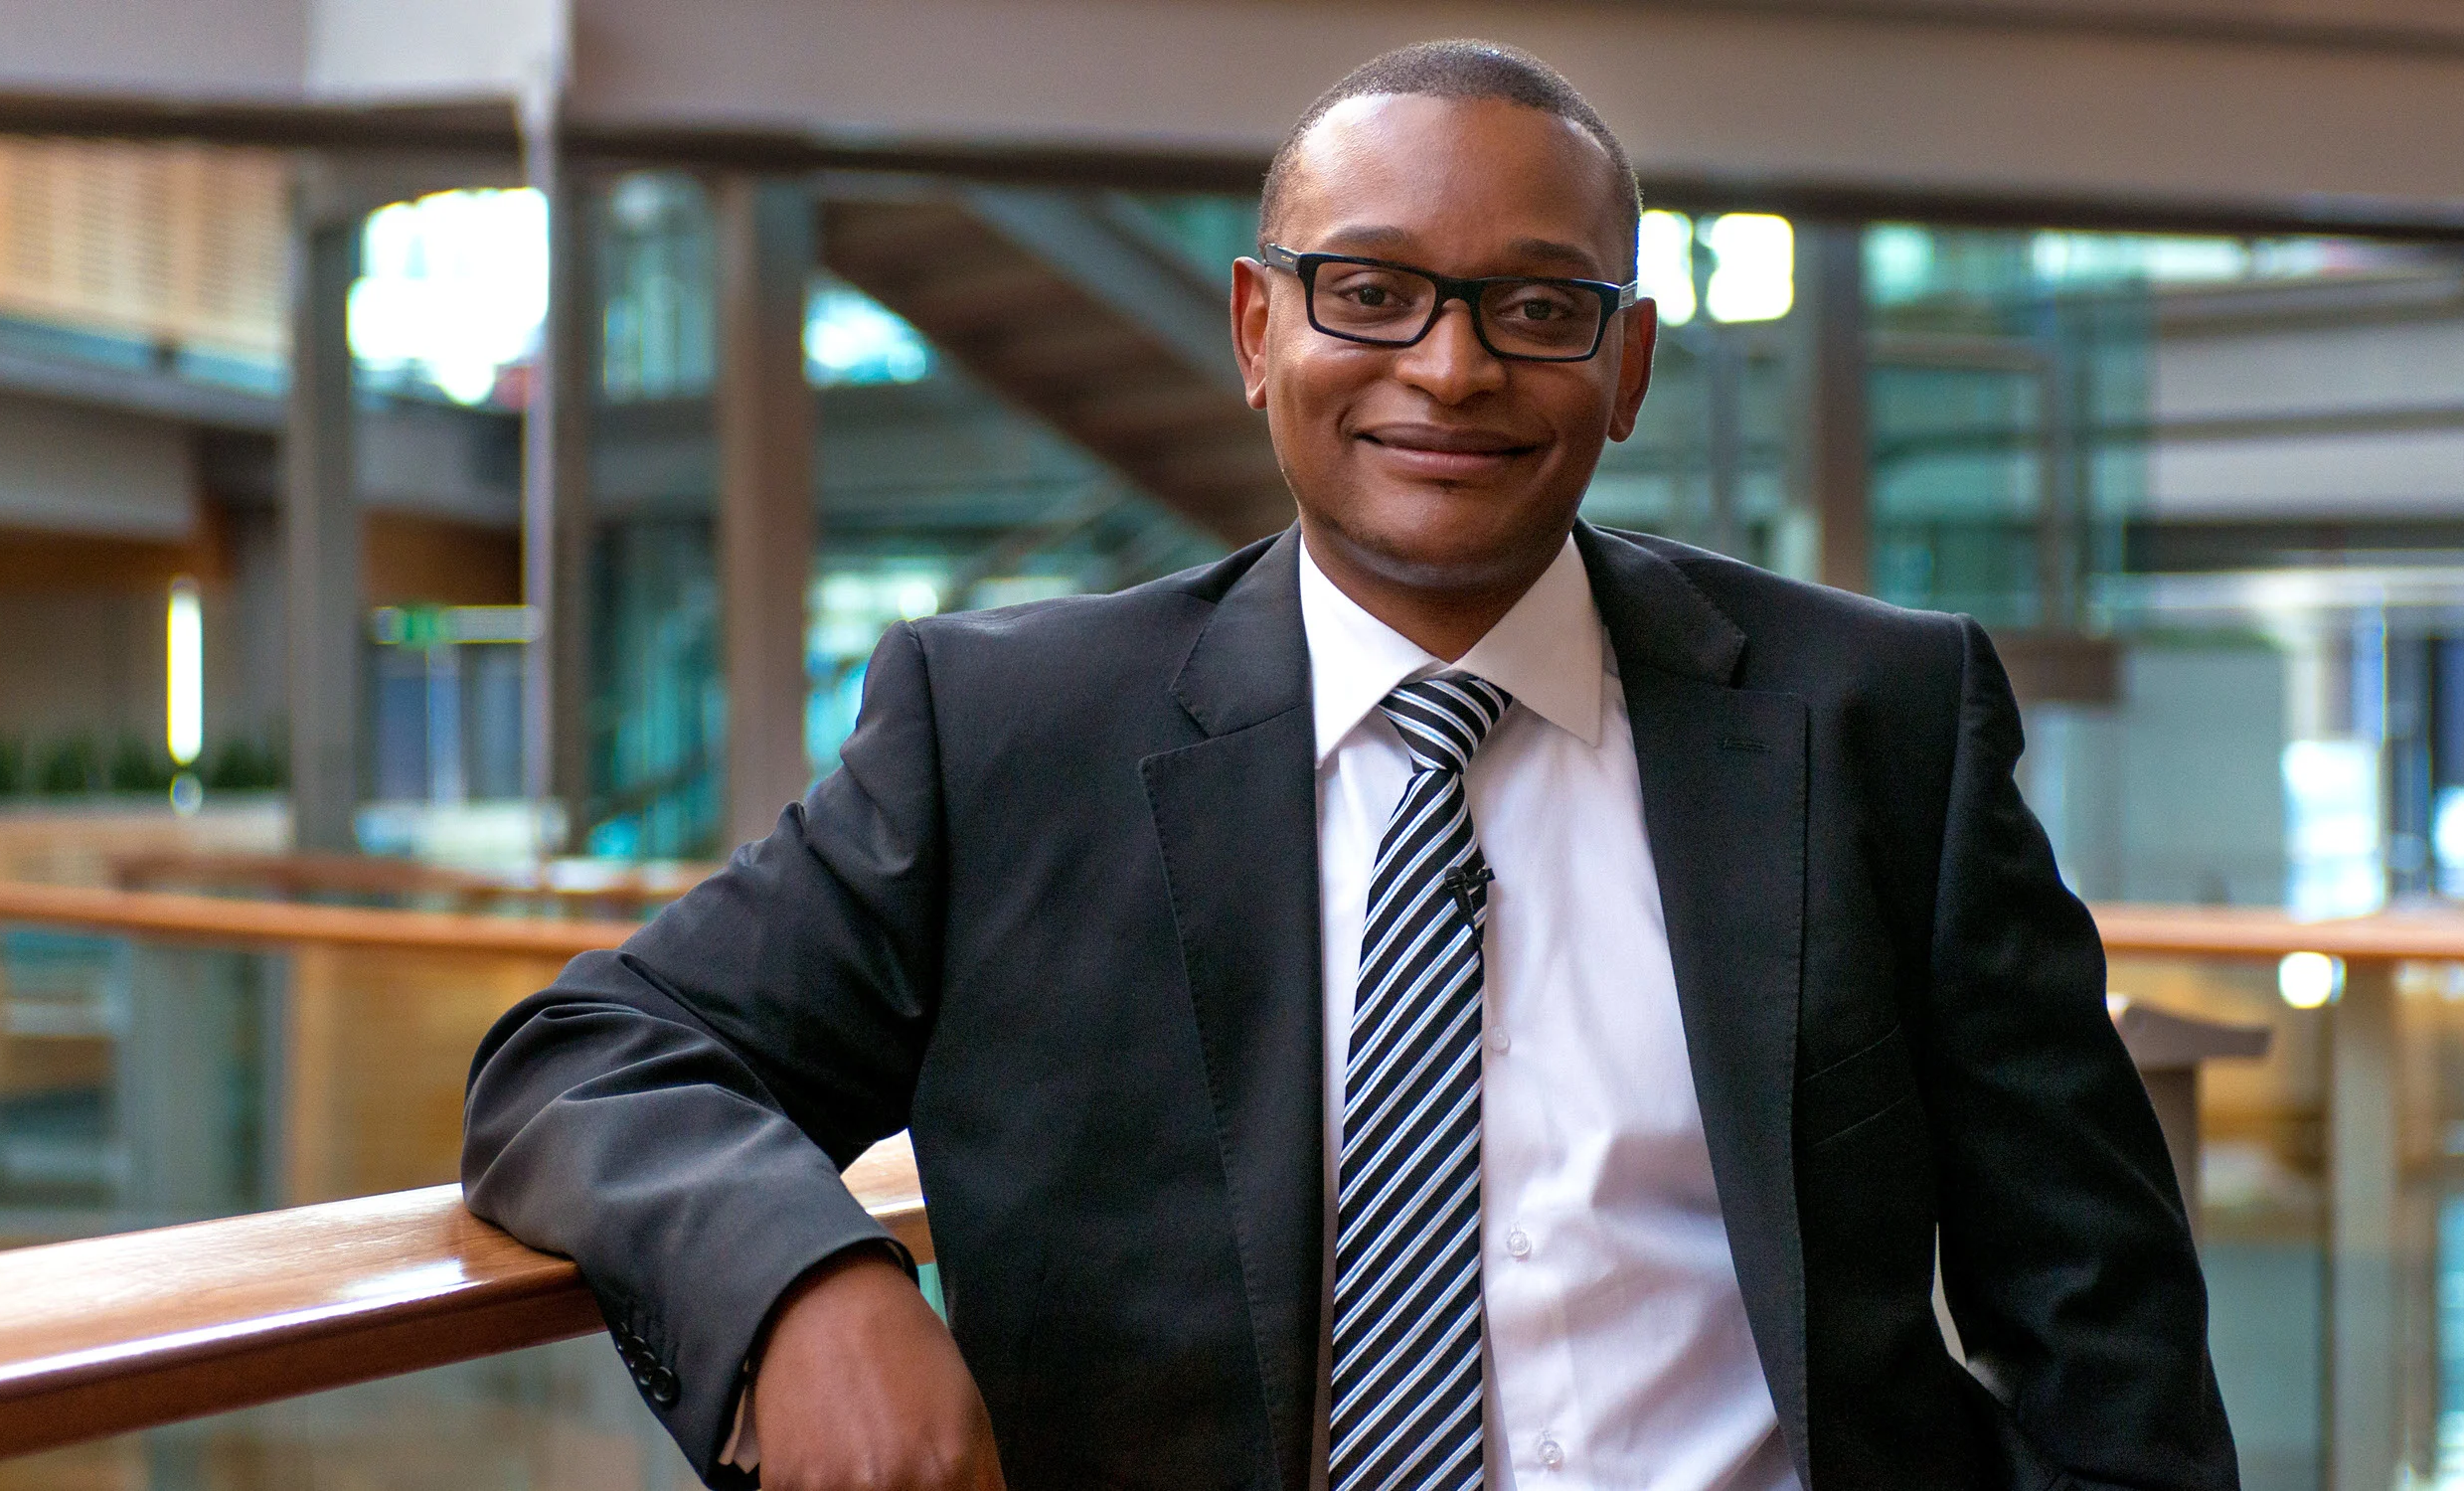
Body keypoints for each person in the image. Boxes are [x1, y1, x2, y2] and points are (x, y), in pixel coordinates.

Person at [463, 38, 2237, 1491]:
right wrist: (810, 1284)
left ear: (1625, 364)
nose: (1449, 369)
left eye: (1537, 309)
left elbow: (2103, 1312)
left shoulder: (1879, 720)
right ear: (1258, 332)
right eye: (1370, 292)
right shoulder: (1004, 733)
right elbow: (587, 1059)